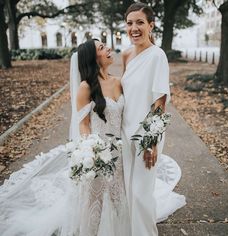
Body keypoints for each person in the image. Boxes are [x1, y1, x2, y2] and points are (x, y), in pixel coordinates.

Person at [0, 39, 131, 236]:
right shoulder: (86, 88)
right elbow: (83, 123)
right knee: (94, 202)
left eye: (105, 45)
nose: (108, 48)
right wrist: (92, 151)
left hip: (118, 153)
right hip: (97, 153)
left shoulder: (118, 82)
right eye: (102, 48)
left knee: (118, 196)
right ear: (92, 58)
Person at [121, 3, 186, 236]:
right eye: (130, 23)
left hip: (147, 132)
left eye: (140, 22)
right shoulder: (126, 54)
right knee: (128, 189)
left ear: (151, 25)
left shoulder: (158, 56)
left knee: (141, 192)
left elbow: (160, 103)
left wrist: (151, 142)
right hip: (123, 131)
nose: (134, 28)